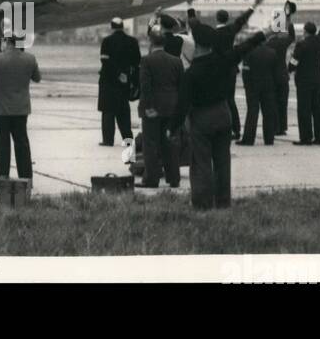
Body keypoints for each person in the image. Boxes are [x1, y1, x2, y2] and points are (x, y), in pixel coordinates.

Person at [176, 22, 267, 209]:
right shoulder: (223, 60)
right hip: (223, 114)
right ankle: (223, 201)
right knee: (222, 162)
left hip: (201, 118)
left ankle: (202, 204)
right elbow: (243, 47)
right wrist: (263, 34)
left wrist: (172, 127)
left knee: (201, 163)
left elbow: (183, 104)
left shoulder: (191, 73)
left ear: (197, 45)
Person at [0, 32, 42, 186]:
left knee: (2, 144)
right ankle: (26, 177)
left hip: (1, 107)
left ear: (7, 41)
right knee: (22, 142)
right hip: (21, 107)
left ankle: (1, 177)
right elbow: (37, 78)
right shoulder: (30, 59)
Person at [212, 0, 264, 140]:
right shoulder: (230, 30)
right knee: (230, 100)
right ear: (227, 19)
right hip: (230, 69)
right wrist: (254, 5)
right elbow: (242, 20)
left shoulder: (213, 34)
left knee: (217, 101)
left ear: (217, 18)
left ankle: (221, 129)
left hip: (217, 70)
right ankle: (236, 129)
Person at [137, 27, 185, 188]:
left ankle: (151, 179)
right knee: (171, 143)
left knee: (150, 144)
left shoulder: (146, 60)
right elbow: (182, 85)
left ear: (151, 42)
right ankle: (174, 178)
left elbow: (145, 86)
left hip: (153, 109)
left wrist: (148, 106)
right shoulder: (176, 61)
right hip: (172, 107)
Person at [290, 5, 320, 145]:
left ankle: (305, 137)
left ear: (305, 32)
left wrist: (289, 69)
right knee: (317, 107)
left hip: (303, 81)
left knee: (304, 109)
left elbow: (294, 61)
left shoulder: (301, 45)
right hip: (317, 79)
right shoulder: (319, 41)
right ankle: (319, 137)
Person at [97, 17, 140, 146]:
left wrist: (117, 74)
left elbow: (105, 61)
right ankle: (127, 139)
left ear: (112, 27)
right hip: (125, 82)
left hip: (109, 81)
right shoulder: (132, 41)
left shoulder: (107, 41)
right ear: (122, 26)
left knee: (108, 112)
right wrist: (128, 76)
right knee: (123, 112)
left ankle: (108, 140)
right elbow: (137, 61)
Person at [238, 31, 279, 146]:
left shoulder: (249, 52)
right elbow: (275, 72)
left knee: (252, 112)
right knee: (268, 113)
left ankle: (249, 139)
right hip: (269, 86)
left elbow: (245, 72)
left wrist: (247, 86)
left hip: (253, 87)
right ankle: (269, 139)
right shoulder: (272, 53)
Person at [264, 3, 296, 136]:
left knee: (272, 103)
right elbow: (292, 37)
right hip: (283, 76)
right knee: (283, 103)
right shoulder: (283, 43)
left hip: (271, 77)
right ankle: (282, 128)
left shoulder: (267, 44)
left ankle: (274, 127)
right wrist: (288, 19)